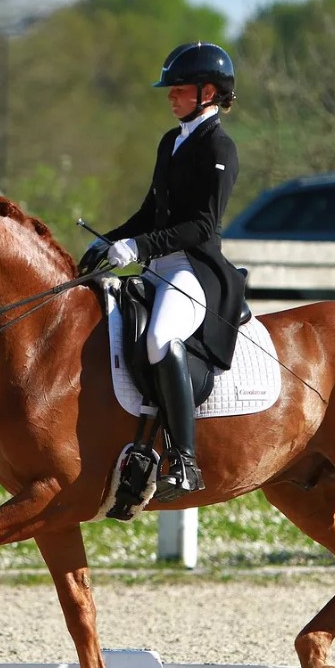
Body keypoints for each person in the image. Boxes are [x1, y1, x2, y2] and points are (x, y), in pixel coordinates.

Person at [82, 42, 245, 503]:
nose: (170, 95)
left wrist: (137, 246)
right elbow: (151, 211)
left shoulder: (219, 147)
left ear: (207, 92)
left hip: (196, 269)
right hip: (159, 263)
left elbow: (200, 227)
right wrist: (109, 238)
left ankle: (185, 460)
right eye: (170, 88)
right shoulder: (171, 141)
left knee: (159, 338)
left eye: (179, 88)